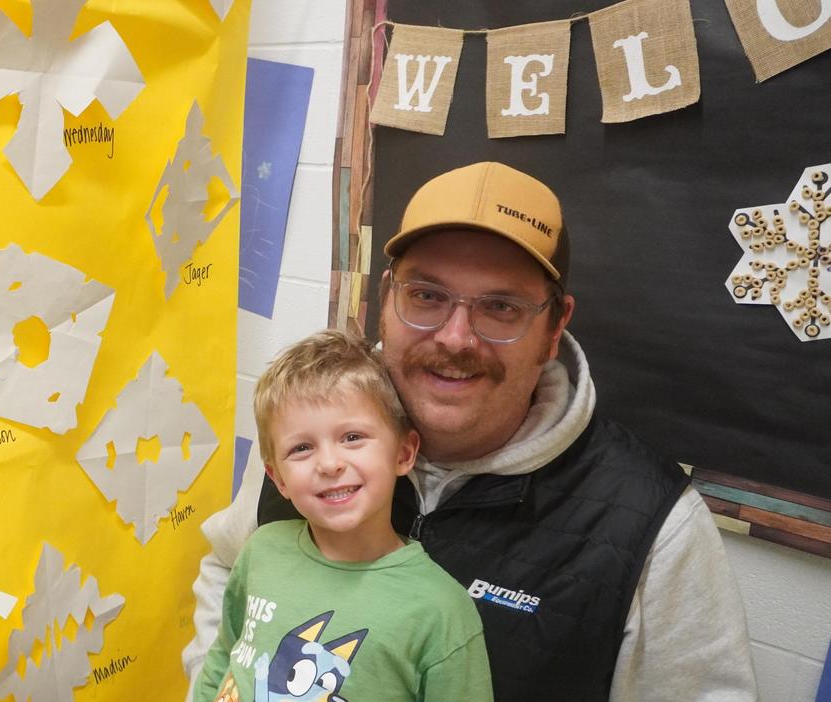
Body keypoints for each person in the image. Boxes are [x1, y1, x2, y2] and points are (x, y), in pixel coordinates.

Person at [184, 162, 758, 701]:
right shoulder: (310, 430)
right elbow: (232, 568)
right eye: (426, 296)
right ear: (387, 298)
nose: (456, 338)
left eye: (501, 307)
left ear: (554, 327)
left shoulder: (653, 523)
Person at [193, 330, 493, 702]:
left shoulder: (441, 611)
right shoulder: (260, 550)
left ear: (403, 453)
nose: (329, 464)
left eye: (352, 437)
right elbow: (225, 654)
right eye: (302, 448)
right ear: (278, 478)